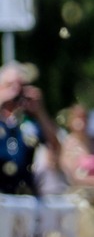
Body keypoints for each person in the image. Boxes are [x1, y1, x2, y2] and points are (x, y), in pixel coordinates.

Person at [0, 60, 61, 196]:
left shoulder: (27, 124)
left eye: (20, 86)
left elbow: (55, 146)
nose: (15, 91)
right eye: (10, 85)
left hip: (24, 196)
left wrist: (40, 112)